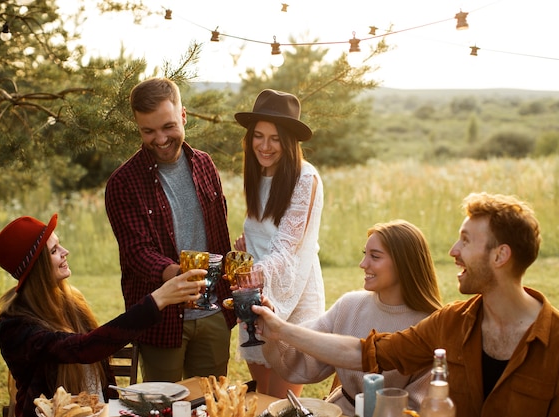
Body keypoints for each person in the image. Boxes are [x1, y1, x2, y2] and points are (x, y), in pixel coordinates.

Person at [253, 192, 559, 416]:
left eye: (465, 241)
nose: (452, 251)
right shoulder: (450, 324)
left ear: (501, 255)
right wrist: (280, 329)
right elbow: (369, 354)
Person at [0, 214, 206, 417]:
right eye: (54, 250)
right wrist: (158, 299)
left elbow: (99, 360)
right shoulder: (15, 327)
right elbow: (84, 348)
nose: (65, 251)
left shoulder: (72, 301)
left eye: (60, 244)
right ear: (37, 267)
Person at [104, 77, 236, 382]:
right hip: (160, 317)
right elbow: (137, 253)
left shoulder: (205, 164)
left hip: (214, 312)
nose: (160, 139)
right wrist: (180, 277)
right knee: (163, 405)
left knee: (211, 405)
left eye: (167, 127)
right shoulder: (123, 183)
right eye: (147, 131)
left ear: (183, 116)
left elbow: (220, 236)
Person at [261, 220, 442, 415]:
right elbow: (298, 359)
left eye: (375, 256)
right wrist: (271, 325)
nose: (363, 264)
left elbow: (419, 406)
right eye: (365, 255)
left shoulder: (430, 326)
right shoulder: (350, 305)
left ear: (403, 263)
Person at [232, 89, 325, 397]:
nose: (265, 146)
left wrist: (254, 274)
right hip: (256, 298)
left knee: (282, 405)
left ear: (289, 141)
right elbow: (263, 233)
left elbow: (286, 246)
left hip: (293, 295)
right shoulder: (257, 174)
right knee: (261, 397)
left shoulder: (304, 178)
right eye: (258, 136)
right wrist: (244, 248)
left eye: (275, 138)